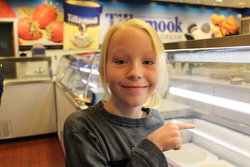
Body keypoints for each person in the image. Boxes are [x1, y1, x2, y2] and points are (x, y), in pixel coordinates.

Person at [63, 18, 195, 167]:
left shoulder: (157, 120)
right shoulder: (82, 127)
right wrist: (153, 147)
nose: (135, 73)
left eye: (147, 62)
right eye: (120, 61)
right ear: (103, 70)